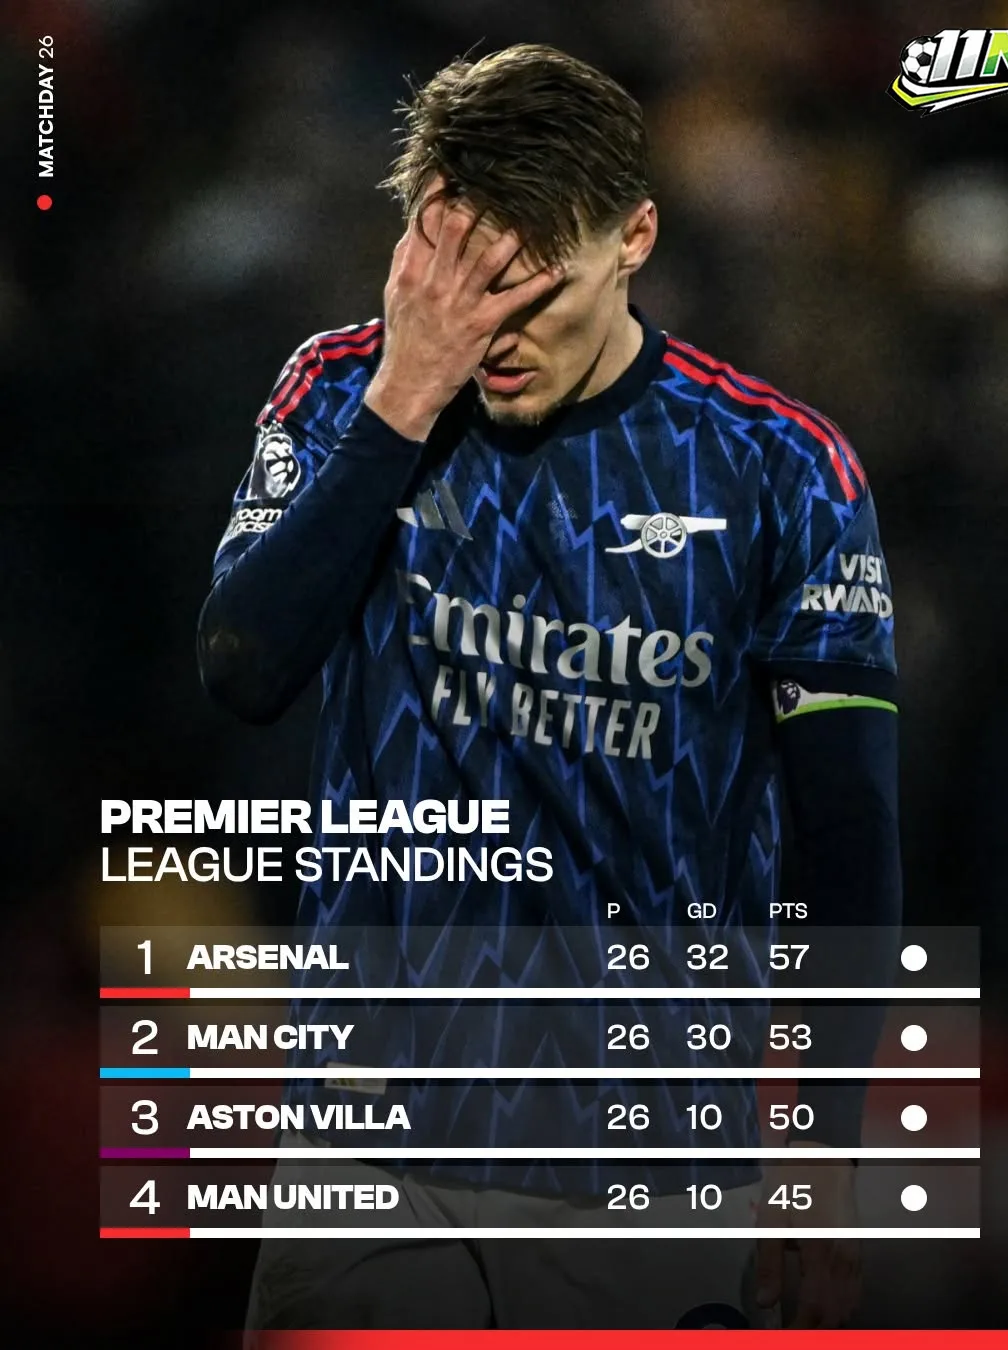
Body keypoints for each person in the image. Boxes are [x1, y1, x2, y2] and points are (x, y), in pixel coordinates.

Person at [198, 43, 901, 1332]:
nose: (494, 336)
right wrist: (406, 397)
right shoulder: (344, 392)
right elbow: (244, 667)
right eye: (464, 290)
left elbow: (847, 832)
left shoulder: (782, 470)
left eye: (534, 293)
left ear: (635, 237)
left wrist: (826, 1146)